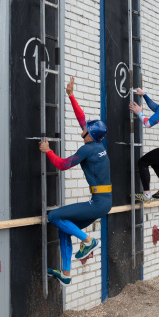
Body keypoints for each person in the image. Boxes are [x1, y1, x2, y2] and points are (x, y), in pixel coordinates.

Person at [38, 77, 110, 286]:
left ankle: (89, 241)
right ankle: (66, 273)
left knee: (54, 216)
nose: (83, 126)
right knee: (64, 227)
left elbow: (62, 165)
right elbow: (82, 118)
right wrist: (71, 95)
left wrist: (48, 151)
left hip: (98, 203)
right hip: (104, 202)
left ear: (90, 133)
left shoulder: (87, 149)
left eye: (86, 127)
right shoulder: (96, 143)